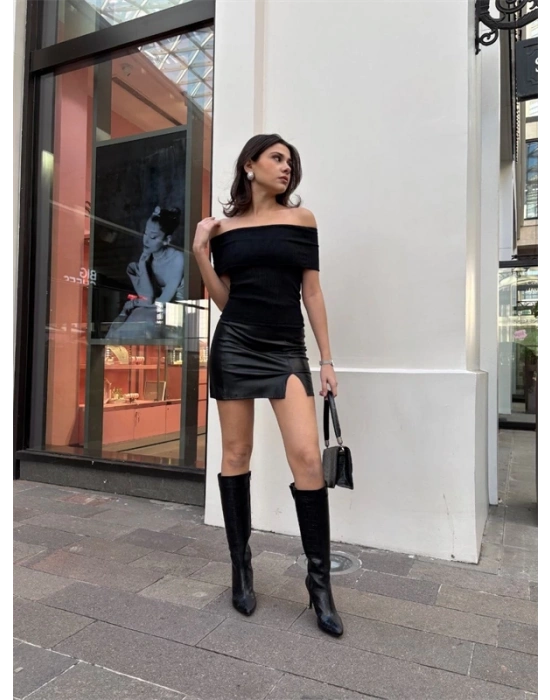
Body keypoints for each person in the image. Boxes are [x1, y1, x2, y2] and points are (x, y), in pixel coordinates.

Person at [192, 134, 343, 638]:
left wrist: (326, 359)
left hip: (285, 349)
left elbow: (312, 292)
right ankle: (241, 570)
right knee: (236, 454)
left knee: (307, 458)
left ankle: (320, 586)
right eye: (277, 158)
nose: (286, 166)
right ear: (249, 165)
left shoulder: (302, 220)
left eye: (290, 161)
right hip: (235, 344)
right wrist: (200, 253)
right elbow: (224, 300)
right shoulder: (224, 230)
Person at [106, 206, 184, 341]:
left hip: (170, 313)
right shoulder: (146, 259)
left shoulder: (177, 259)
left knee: (140, 317)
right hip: (151, 309)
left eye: (153, 237)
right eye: (145, 233)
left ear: (167, 240)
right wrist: (142, 264)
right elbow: (147, 298)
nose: (146, 240)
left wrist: (136, 303)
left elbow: (161, 302)